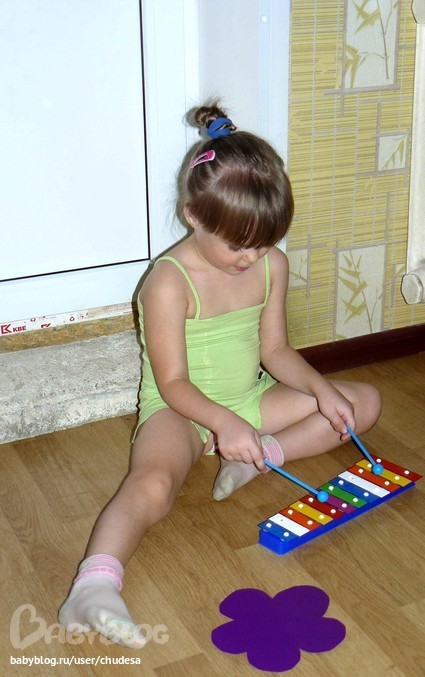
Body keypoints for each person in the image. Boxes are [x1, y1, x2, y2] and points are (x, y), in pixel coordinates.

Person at [58, 103, 382, 648]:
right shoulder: (167, 282)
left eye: (264, 243)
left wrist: (321, 390)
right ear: (194, 215)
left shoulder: (271, 265)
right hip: (180, 412)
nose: (251, 257)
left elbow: (275, 350)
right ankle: (93, 586)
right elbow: (172, 384)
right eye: (237, 244)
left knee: (361, 403)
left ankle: (260, 457)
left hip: (249, 399)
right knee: (153, 483)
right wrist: (223, 424)